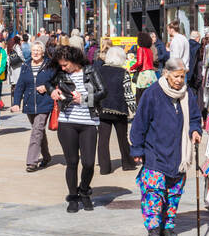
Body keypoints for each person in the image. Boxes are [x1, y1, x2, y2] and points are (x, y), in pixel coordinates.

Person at [129, 56, 202, 236]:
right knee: (153, 192)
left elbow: (194, 117)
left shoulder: (187, 95)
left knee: (174, 192)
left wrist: (195, 130)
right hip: (155, 151)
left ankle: (168, 226)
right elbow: (140, 122)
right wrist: (137, 149)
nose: (179, 81)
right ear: (166, 74)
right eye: (176, 76)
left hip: (178, 153)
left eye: (182, 77)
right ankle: (153, 228)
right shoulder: (152, 93)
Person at [50, 44, 103, 212]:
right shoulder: (60, 73)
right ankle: (73, 197)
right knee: (72, 162)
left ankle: (84, 191)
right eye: (61, 65)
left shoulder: (90, 71)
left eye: (65, 64)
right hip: (67, 121)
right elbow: (49, 83)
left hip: (89, 122)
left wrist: (85, 99)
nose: (63, 68)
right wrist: (52, 91)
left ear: (74, 60)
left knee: (88, 163)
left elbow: (103, 91)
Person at [12, 39, 56, 171]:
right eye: (33, 50)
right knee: (39, 131)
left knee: (36, 131)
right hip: (30, 103)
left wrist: (47, 87)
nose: (35, 53)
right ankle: (47, 156)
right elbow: (20, 86)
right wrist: (16, 103)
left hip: (44, 102)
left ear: (43, 53)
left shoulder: (50, 65)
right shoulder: (25, 66)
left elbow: (57, 82)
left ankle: (31, 162)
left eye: (38, 50)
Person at [95, 46, 134, 175]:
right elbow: (128, 94)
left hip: (102, 108)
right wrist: (135, 110)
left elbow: (92, 89)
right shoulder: (123, 73)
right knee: (123, 138)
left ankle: (104, 167)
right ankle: (127, 163)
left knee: (103, 139)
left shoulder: (99, 70)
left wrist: (90, 107)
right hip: (119, 109)